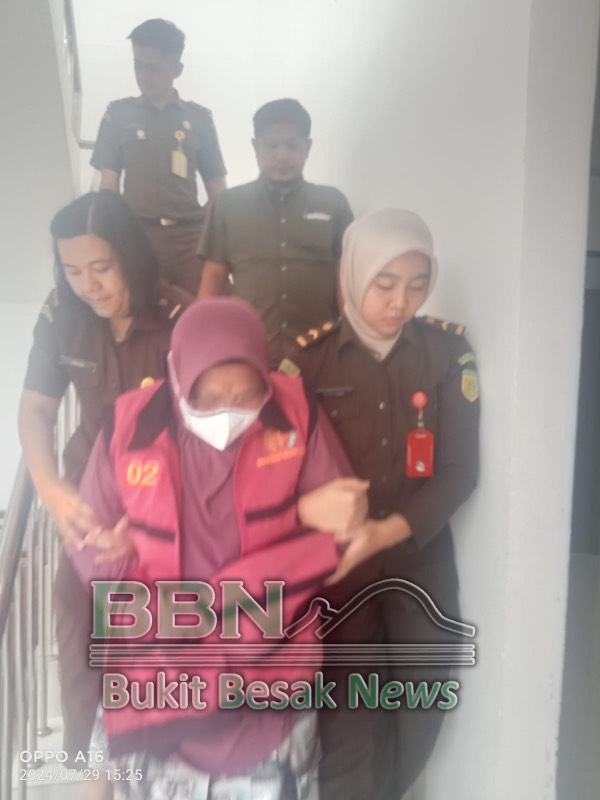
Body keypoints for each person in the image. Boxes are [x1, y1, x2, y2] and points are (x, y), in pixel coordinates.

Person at [68, 297, 370, 799]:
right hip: (161, 657)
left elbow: (342, 530)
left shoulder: (296, 415)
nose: (229, 412)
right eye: (208, 399)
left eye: (248, 395)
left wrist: (299, 515)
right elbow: (90, 548)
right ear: (178, 379)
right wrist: (128, 564)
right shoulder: (129, 427)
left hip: (268, 656)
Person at [283, 209, 481, 799]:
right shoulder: (305, 362)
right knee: (350, 721)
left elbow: (460, 472)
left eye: (417, 284)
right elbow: (278, 475)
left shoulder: (446, 352)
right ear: (353, 275)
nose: (401, 302)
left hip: (419, 561)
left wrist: (381, 533)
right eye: (385, 284)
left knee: (422, 704)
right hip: (339, 572)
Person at [18, 190, 192, 764]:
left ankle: (155, 762)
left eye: (101, 267)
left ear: (130, 257)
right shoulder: (61, 315)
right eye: (73, 271)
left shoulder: (180, 319)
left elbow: (207, 437)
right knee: (79, 629)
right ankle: (88, 764)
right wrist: (49, 488)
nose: (88, 285)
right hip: (90, 496)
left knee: (156, 637)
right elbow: (36, 408)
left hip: (167, 501)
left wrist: (148, 523)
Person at [198, 98, 354, 366]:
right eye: (271, 145)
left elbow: (346, 281)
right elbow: (213, 278)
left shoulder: (333, 203)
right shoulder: (228, 205)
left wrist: (352, 343)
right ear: (255, 147)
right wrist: (201, 341)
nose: (282, 155)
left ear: (308, 147)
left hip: (320, 353)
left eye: (292, 145)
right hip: (250, 354)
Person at [91, 19, 227, 295]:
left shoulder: (199, 119)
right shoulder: (117, 115)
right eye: (137, 65)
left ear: (177, 69)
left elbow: (218, 191)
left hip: (190, 242)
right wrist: (113, 236)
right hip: (138, 236)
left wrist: (203, 234)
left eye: (152, 67)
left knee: (207, 312)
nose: (143, 75)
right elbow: (108, 186)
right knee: (141, 313)